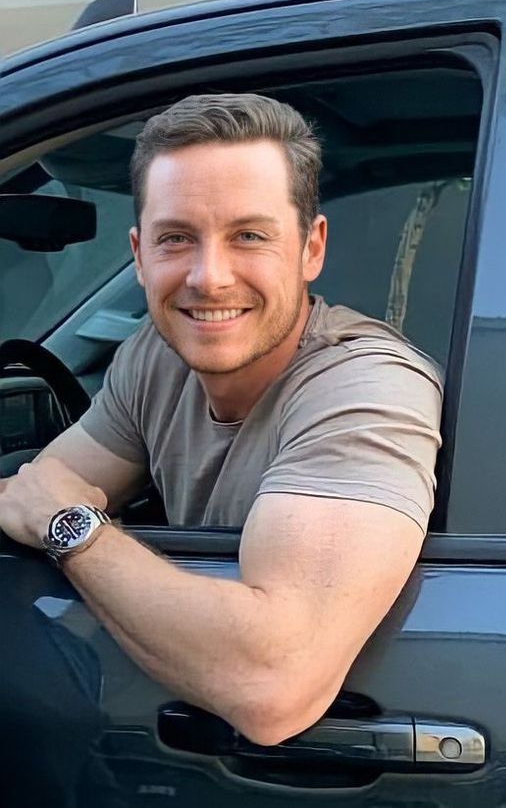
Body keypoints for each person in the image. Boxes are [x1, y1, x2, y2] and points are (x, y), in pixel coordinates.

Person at [0, 93, 442, 747]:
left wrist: (77, 530)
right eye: (177, 238)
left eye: (249, 235)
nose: (209, 277)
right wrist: (49, 504)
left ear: (311, 247)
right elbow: (39, 487)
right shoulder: (155, 357)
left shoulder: (367, 384)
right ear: (140, 252)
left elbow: (272, 684)